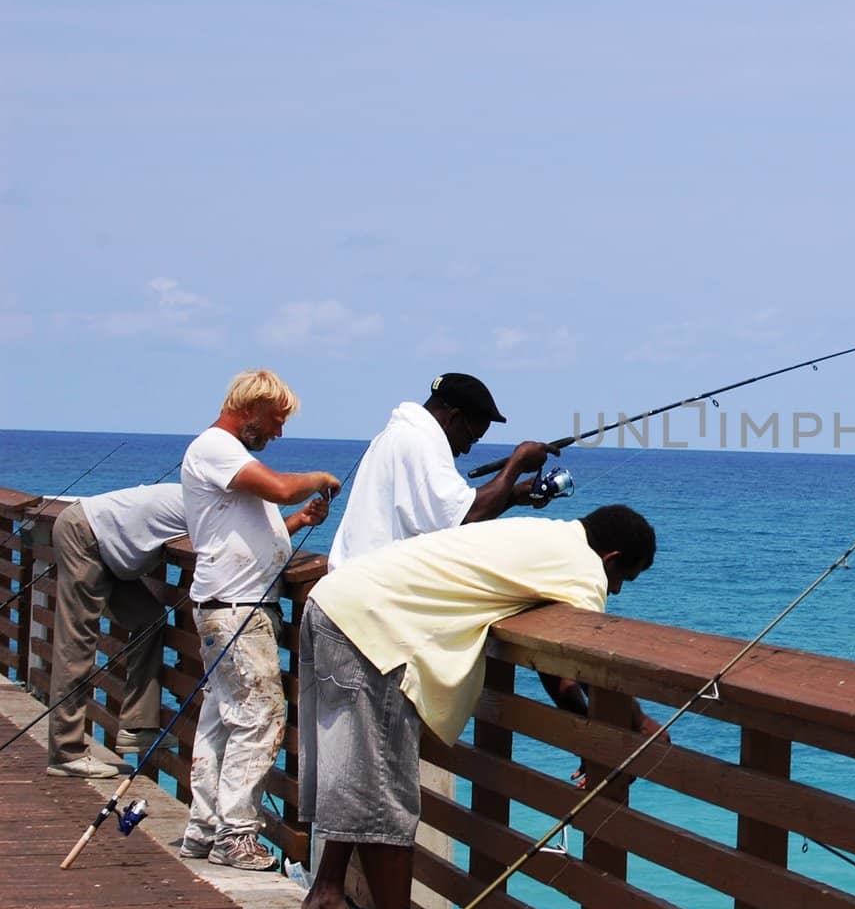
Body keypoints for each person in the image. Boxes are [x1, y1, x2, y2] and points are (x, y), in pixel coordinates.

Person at [296, 506, 662, 909]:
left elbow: (563, 676)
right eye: (625, 577)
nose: (618, 590)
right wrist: (638, 721)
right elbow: (590, 658)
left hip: (336, 603)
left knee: (362, 778)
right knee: (385, 798)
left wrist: (588, 727)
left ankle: (326, 896)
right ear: (611, 558)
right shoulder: (583, 568)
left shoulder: (548, 536)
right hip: (374, 628)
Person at [179, 369, 340, 872]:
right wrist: (316, 478)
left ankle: (204, 829)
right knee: (262, 716)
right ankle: (236, 835)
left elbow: (245, 527)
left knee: (222, 719)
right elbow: (279, 488)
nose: (278, 432)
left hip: (229, 605)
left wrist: (298, 524)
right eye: (275, 421)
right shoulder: (216, 448)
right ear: (250, 410)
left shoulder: (225, 456)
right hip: (235, 610)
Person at [326, 372, 555, 572]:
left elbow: (445, 517)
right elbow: (466, 517)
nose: (466, 449)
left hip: (344, 591)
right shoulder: (420, 441)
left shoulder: (398, 434)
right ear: (453, 417)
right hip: (362, 604)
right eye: (471, 438)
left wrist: (512, 496)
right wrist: (517, 463)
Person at [45, 482, 187, 778]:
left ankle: (137, 725)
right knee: (76, 645)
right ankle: (65, 751)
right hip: (83, 534)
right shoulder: (210, 507)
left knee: (150, 618)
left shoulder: (204, 499)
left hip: (106, 548)